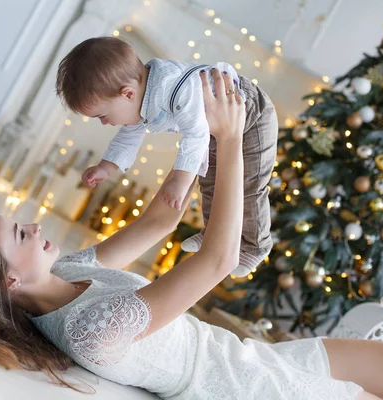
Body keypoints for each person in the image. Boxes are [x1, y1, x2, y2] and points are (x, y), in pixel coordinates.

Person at [0, 69, 383, 400]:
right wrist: (228, 144)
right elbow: (219, 258)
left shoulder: (68, 273)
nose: (36, 225)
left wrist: (188, 129)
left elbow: (162, 218)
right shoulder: (92, 328)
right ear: (11, 281)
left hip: (259, 358)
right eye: (21, 233)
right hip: (265, 392)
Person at [56, 37, 277, 277]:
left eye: (102, 115)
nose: (105, 123)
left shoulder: (173, 90)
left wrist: (179, 182)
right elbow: (127, 137)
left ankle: (256, 246)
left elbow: (195, 135)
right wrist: (105, 168)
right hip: (214, 127)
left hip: (251, 113)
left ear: (127, 93)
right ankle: (210, 230)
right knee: (210, 180)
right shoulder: (141, 96)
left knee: (250, 186)